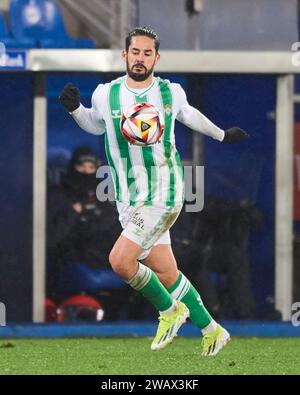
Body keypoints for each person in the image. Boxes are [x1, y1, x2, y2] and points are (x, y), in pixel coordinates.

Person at [59, 26, 248, 356]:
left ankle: (170, 311)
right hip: (128, 199)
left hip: (164, 191)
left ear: (156, 58)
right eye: (136, 52)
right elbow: (94, 123)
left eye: (148, 53)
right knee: (166, 272)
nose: (141, 58)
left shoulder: (169, 92)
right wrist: (75, 110)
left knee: (119, 261)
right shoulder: (106, 94)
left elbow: (189, 115)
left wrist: (221, 135)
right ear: (125, 55)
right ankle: (212, 330)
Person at [47, 146, 121, 299]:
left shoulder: (104, 199)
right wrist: (73, 212)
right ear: (73, 167)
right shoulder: (58, 196)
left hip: (102, 259)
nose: (87, 172)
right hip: (66, 262)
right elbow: (51, 238)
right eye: (81, 167)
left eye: (91, 167)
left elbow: (113, 231)